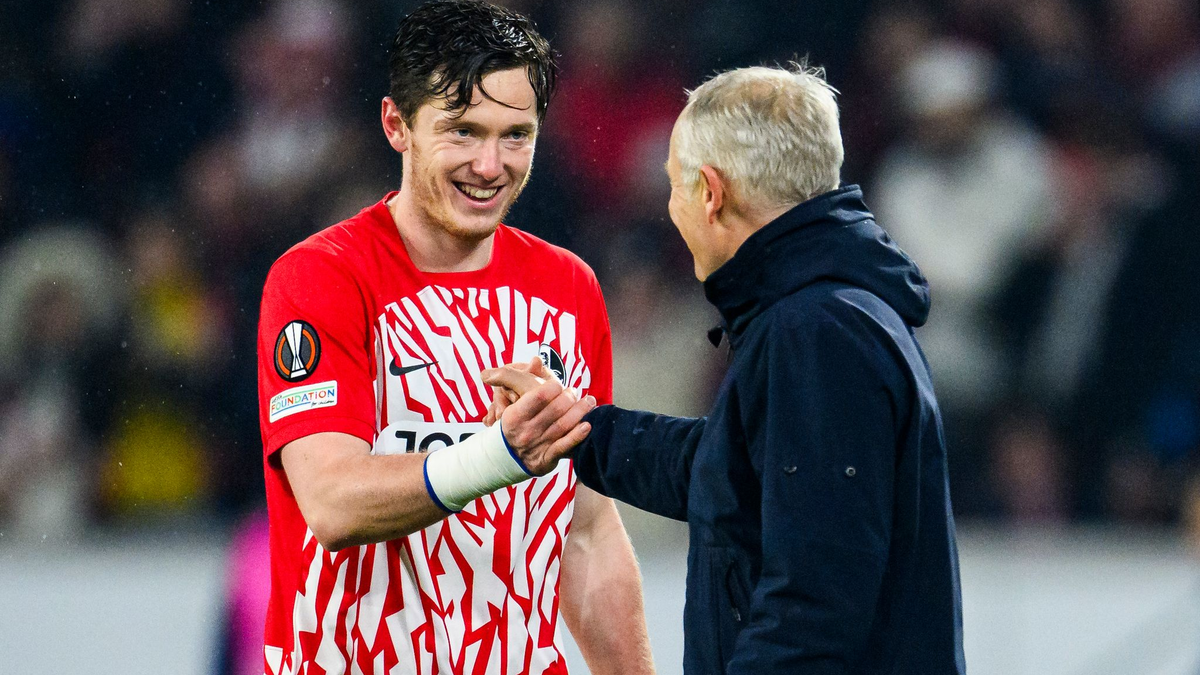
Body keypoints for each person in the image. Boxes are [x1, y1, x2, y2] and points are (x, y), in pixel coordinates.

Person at [485, 64, 966, 673]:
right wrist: (577, 428)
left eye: (674, 185)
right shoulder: (831, 312)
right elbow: (737, 475)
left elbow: (812, 606)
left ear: (710, 193)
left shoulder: (816, 332)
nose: (671, 208)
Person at [255, 2, 653, 674]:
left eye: (515, 135)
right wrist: (496, 454)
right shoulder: (322, 277)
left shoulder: (569, 290)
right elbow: (332, 502)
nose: (491, 164)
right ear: (396, 125)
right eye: (463, 131)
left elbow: (585, 533)